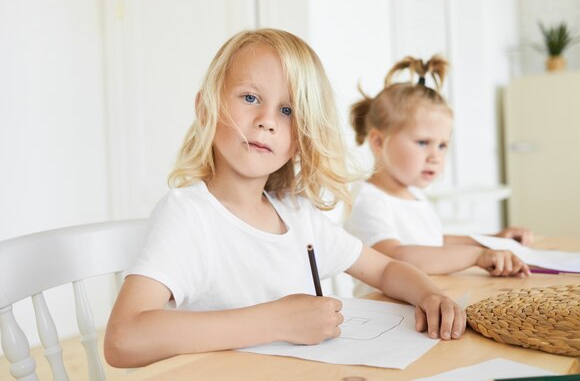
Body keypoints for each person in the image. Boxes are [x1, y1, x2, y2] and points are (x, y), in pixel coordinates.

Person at [104, 30, 466, 368]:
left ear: (301, 136)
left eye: (288, 111)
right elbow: (123, 339)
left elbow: (385, 269)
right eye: (250, 98)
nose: (267, 121)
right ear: (206, 108)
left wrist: (429, 295)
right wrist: (276, 320)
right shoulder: (188, 215)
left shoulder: (297, 213)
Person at [344, 55, 532, 297]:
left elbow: (432, 242)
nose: (436, 156)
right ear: (379, 142)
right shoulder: (369, 200)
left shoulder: (413, 194)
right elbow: (395, 256)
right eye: (423, 142)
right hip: (383, 313)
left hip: (423, 302)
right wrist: (476, 256)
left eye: (442, 145)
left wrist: (492, 240)